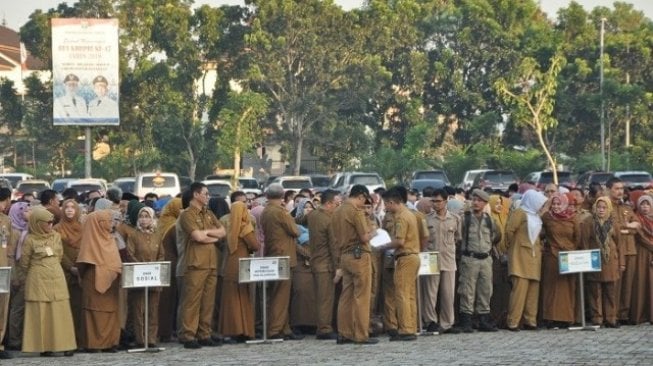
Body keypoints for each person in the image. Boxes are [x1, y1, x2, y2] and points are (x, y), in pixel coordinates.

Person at [19, 207, 76, 356]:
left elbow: (59, 255)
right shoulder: (30, 239)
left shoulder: (56, 236)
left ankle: (66, 345)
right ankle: (44, 346)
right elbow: (24, 263)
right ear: (38, 223)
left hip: (56, 277)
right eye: (47, 222)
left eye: (52, 222)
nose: (51, 225)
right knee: (41, 313)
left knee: (60, 312)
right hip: (38, 279)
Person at [178, 182, 226, 349]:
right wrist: (210, 236)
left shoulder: (209, 213)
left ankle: (204, 333)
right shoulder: (187, 215)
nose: (208, 196)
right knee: (192, 301)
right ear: (196, 194)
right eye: (205, 193)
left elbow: (222, 232)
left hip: (211, 262)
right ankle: (188, 335)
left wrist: (208, 235)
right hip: (196, 262)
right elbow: (197, 236)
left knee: (208, 301)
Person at [332, 185, 379, 345]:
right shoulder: (355, 212)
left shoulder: (337, 211)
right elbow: (364, 237)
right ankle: (361, 334)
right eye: (364, 200)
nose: (363, 203)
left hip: (345, 256)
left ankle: (344, 333)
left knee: (346, 295)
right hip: (359, 255)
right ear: (360, 196)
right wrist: (375, 231)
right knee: (362, 296)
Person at [117, 207, 165, 348]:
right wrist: (142, 267)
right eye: (141, 216)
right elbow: (130, 254)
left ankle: (151, 339)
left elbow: (161, 254)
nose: (144, 219)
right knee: (139, 310)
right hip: (139, 277)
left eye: (147, 216)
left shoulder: (157, 235)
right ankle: (140, 339)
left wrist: (155, 266)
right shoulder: (133, 235)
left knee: (153, 309)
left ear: (152, 218)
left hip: (154, 277)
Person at [76, 209, 122, 352]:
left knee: (111, 312)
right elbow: (83, 263)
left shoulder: (110, 238)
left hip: (112, 284)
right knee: (94, 313)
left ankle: (110, 342)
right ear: (98, 223)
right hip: (93, 281)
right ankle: (94, 344)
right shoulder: (90, 240)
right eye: (108, 221)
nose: (111, 224)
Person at [261, 184, 302, 340]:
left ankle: (285, 328)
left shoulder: (266, 211)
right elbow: (295, 231)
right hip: (284, 256)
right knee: (281, 295)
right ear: (283, 195)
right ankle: (275, 329)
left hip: (273, 253)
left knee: (277, 293)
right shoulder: (280, 212)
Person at [504, 189, 548, 331]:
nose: (541, 206)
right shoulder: (520, 212)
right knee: (519, 291)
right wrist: (512, 248)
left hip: (534, 257)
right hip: (520, 256)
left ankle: (530, 321)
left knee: (532, 291)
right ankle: (513, 321)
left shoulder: (535, 216)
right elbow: (509, 231)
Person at [458, 189, 501, 332]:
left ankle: (483, 319)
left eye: (479, 201)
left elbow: (496, 236)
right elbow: (458, 237)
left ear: (485, 203)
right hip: (470, 258)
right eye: (474, 200)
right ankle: (466, 321)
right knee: (467, 290)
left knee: (485, 290)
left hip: (486, 259)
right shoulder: (465, 218)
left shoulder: (489, 220)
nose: (476, 203)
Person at [420, 189, 461, 334]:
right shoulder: (427, 219)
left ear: (445, 201)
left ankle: (447, 323)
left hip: (449, 258)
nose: (435, 204)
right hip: (431, 256)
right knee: (430, 292)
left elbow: (457, 237)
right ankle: (430, 321)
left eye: (438, 201)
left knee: (448, 293)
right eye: (433, 201)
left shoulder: (455, 219)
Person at [217, 201, 260, 342]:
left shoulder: (228, 226)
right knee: (242, 296)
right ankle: (243, 329)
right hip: (242, 264)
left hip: (229, 264)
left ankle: (231, 330)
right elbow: (254, 245)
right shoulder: (244, 226)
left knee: (230, 299)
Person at [581, 197, 625, 327]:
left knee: (611, 291)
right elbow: (584, 243)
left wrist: (622, 262)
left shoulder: (613, 223)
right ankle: (597, 319)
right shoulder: (589, 222)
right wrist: (586, 260)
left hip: (610, 261)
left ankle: (611, 319)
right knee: (595, 291)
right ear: (595, 208)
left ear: (608, 209)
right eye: (599, 207)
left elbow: (619, 244)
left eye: (604, 207)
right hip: (594, 260)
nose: (601, 210)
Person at [541, 192, 581, 328]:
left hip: (568, 256)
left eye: (559, 204)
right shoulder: (547, 217)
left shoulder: (573, 218)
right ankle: (550, 318)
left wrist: (571, 251)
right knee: (551, 288)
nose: (556, 207)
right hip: (552, 256)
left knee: (567, 288)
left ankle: (566, 318)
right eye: (554, 204)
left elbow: (577, 238)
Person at [605, 177, 640, 325]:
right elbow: (611, 229)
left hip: (629, 250)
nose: (620, 192)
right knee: (614, 284)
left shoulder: (626, 207)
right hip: (614, 250)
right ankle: (612, 315)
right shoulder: (605, 207)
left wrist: (629, 227)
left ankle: (624, 314)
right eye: (616, 189)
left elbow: (637, 224)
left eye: (621, 189)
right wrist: (627, 229)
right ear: (609, 189)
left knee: (627, 285)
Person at [308, 188, 341, 338]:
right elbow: (333, 246)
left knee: (320, 297)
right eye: (336, 203)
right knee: (326, 299)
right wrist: (338, 267)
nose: (337, 207)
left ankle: (322, 325)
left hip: (315, 261)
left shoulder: (313, 215)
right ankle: (324, 329)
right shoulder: (329, 219)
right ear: (328, 204)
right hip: (326, 264)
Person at [54, 199, 84, 347]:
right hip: (64, 272)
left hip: (82, 271)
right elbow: (58, 251)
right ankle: (66, 341)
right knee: (65, 308)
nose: (70, 210)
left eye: (73, 207)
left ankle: (80, 339)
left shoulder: (83, 228)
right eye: (67, 207)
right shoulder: (57, 229)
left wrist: (81, 267)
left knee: (79, 307)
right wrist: (70, 267)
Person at [157, 197, 182, 342]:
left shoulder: (162, 221)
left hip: (162, 264)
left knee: (162, 300)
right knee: (169, 300)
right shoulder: (174, 225)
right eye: (180, 208)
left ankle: (161, 330)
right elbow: (180, 247)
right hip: (172, 266)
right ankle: (166, 332)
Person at [290, 199, 316, 332]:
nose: (309, 210)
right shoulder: (294, 225)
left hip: (315, 264)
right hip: (301, 263)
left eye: (311, 208)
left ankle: (311, 324)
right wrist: (307, 253)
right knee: (300, 292)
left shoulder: (316, 225)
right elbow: (293, 244)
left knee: (312, 295)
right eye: (306, 208)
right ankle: (297, 324)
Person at [7, 201, 31, 350]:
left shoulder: (27, 229)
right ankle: (14, 340)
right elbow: (11, 257)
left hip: (27, 273)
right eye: (23, 210)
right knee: (17, 308)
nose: (27, 212)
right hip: (18, 274)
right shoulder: (14, 232)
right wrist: (15, 277)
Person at [488, 194, 511, 329]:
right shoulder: (490, 218)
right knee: (495, 289)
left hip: (506, 257)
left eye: (500, 203)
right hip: (494, 257)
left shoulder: (506, 217)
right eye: (495, 203)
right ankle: (494, 317)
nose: (499, 205)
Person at [631, 195, 653, 324]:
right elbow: (640, 237)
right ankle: (640, 315)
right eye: (642, 204)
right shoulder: (637, 219)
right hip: (642, 254)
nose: (645, 207)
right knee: (641, 282)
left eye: (648, 204)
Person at [0, 188, 15, 359]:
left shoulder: (6, 220)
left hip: (3, 269)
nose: (5, 205)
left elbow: (9, 246)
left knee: (3, 306)